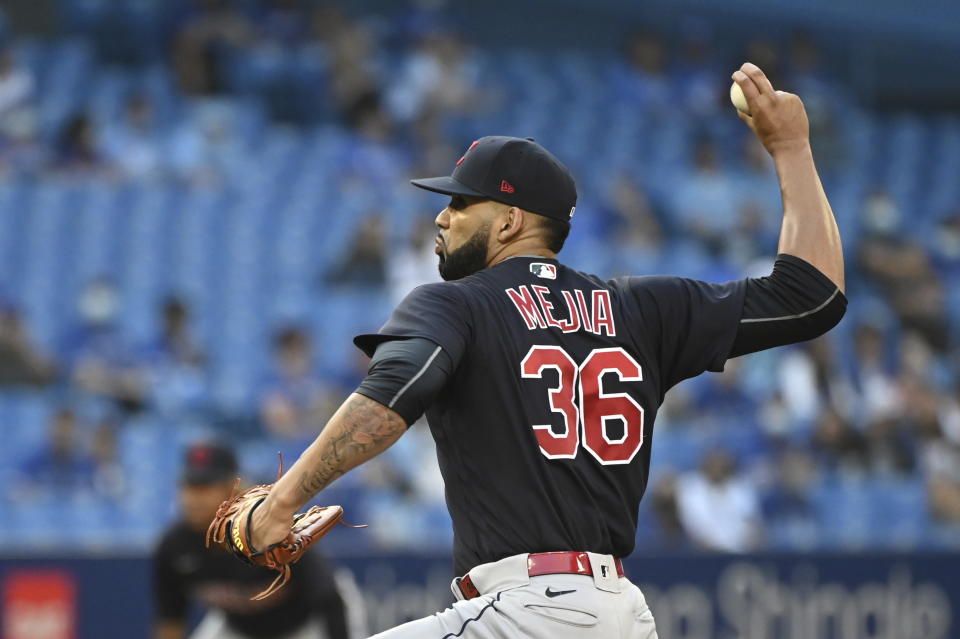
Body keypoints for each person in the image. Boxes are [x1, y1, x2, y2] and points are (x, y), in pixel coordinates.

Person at [243, 63, 845, 637]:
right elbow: (814, 296)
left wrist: (283, 500)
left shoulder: (457, 303)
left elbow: (391, 394)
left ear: (508, 222)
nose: (442, 217)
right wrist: (791, 149)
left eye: (459, 203)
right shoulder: (643, 309)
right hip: (620, 612)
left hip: (526, 611)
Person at [153, 442, 348, 639]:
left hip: (308, 622)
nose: (193, 498)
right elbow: (171, 620)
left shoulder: (269, 529)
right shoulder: (175, 545)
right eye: (188, 487)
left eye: (205, 487)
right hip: (238, 629)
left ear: (233, 489)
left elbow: (328, 596)